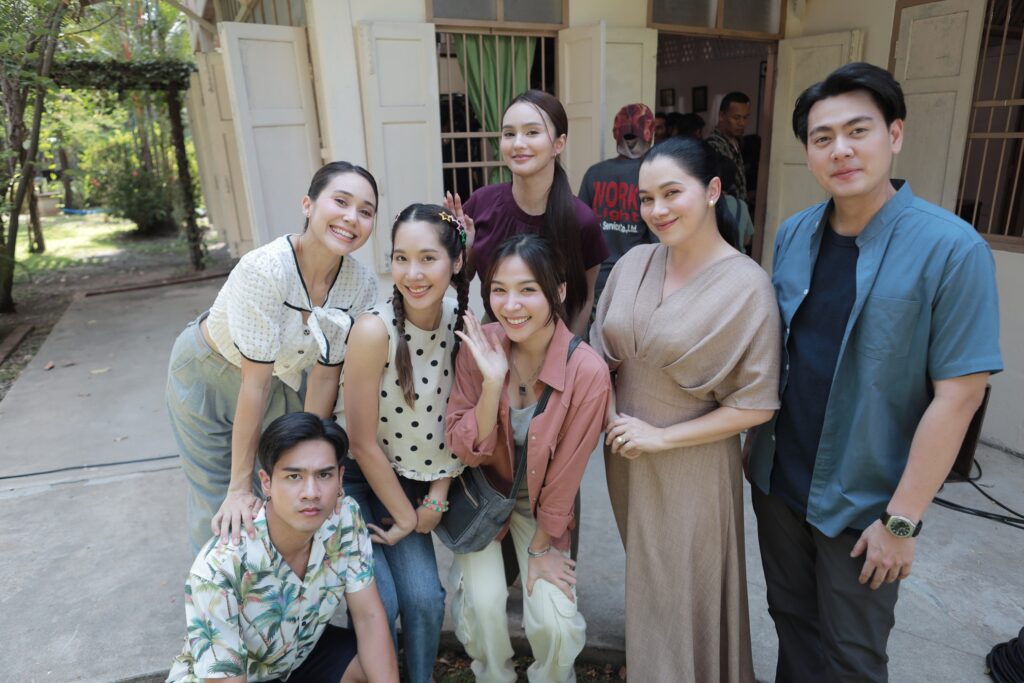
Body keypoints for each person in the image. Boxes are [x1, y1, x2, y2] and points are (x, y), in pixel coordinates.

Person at [746, 62, 1002, 683]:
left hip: (866, 503)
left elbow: (960, 396)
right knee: (792, 624)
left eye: (857, 130)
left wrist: (902, 521)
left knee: (853, 657)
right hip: (780, 482)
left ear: (895, 134)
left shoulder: (952, 248)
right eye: (822, 137)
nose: (841, 150)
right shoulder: (794, 234)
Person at [590, 137, 781, 683]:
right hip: (625, 450)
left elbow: (756, 404)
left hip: (691, 461)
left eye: (672, 193)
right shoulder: (633, 261)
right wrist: (611, 418)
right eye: (647, 198)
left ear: (713, 190)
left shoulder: (748, 285)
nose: (658, 210)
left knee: (685, 584)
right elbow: (599, 356)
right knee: (649, 578)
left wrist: (661, 438)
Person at [166, 161, 379, 554]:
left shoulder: (360, 284)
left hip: (283, 377)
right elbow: (255, 384)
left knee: (284, 488)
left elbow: (325, 376)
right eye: (341, 201)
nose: (352, 217)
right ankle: (218, 587)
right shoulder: (265, 270)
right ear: (308, 205)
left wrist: (308, 456)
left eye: (365, 211)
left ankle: (282, 586)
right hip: (209, 372)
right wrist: (236, 489)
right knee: (223, 502)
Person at [445, 234, 611, 683]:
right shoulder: (480, 346)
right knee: (481, 606)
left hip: (541, 508)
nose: (511, 305)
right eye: (499, 290)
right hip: (484, 495)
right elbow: (462, 445)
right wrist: (491, 385)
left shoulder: (587, 371)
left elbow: (567, 476)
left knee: (556, 624)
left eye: (527, 290)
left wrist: (541, 547)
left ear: (559, 291)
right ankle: (491, 676)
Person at [337, 204, 469, 683]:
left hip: (410, 479)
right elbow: (360, 441)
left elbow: (457, 420)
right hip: (356, 479)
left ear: (456, 262)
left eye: (428, 258)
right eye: (400, 258)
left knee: (426, 600)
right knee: (383, 602)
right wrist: (411, 517)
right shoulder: (374, 331)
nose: (412, 274)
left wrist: (436, 496)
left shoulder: (459, 317)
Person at [166, 412, 398, 683]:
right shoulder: (218, 569)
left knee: (371, 666)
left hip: (297, 656)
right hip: (239, 676)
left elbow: (369, 617)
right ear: (266, 483)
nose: (311, 492)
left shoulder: (345, 518)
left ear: (340, 478)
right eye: (294, 476)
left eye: (324, 474)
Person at [445, 89, 608, 337]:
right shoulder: (481, 204)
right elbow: (462, 280)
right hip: (496, 338)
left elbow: (583, 300)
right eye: (509, 133)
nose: (518, 143)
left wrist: (566, 354)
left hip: (555, 342)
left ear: (558, 143)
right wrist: (461, 253)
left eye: (532, 132)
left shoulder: (582, 221)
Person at [577, 103, 656, 303]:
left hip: (597, 281)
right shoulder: (652, 175)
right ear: (649, 134)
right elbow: (657, 236)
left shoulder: (594, 173)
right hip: (637, 282)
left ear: (616, 134)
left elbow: (579, 230)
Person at [706, 91, 751, 204]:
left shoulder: (736, 142)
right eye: (736, 118)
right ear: (721, 116)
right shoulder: (713, 145)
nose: (742, 123)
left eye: (745, 117)